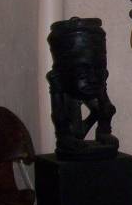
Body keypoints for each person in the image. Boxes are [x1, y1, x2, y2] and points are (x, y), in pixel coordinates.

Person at [47, 17, 119, 160]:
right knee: (76, 131)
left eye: (98, 68)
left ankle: (103, 132)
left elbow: (106, 107)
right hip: (70, 97)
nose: (92, 78)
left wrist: (104, 130)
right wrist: (64, 136)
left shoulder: (97, 81)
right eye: (82, 72)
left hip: (89, 99)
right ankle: (68, 138)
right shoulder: (60, 81)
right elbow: (59, 115)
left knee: (108, 109)